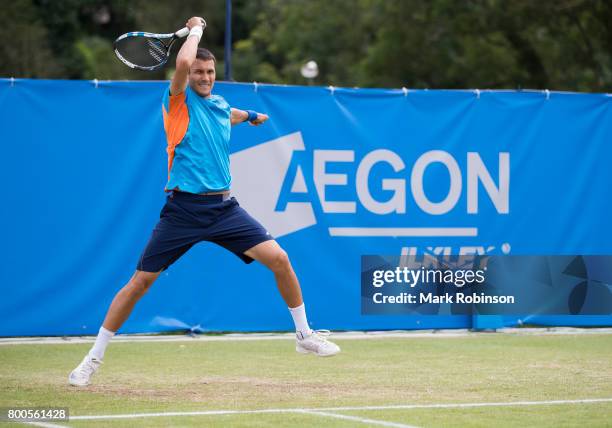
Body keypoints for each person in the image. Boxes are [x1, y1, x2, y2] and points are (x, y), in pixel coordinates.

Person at [69, 16, 340, 387]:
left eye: (210, 71)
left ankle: (304, 335)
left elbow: (229, 114)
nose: (205, 77)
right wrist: (195, 29)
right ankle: (92, 358)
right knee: (139, 283)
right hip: (183, 210)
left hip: (224, 210)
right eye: (199, 72)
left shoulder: (218, 104)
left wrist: (254, 116)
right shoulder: (177, 102)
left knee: (280, 259)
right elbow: (181, 63)